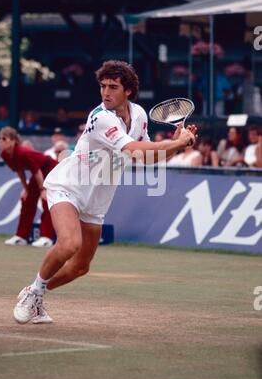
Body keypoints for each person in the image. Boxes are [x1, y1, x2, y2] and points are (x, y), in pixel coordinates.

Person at [13, 60, 197, 325]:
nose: (106, 92)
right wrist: (176, 141)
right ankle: (33, 293)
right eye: (102, 86)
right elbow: (132, 149)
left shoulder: (140, 115)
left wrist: (177, 146)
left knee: (80, 267)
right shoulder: (100, 117)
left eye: (113, 87)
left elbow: (146, 158)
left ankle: (36, 292)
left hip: (97, 198)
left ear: (129, 91)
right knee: (69, 243)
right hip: (68, 186)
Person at [0, 127, 58, 249]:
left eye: (4, 138)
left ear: (13, 140)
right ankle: (21, 236)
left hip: (51, 169)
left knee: (46, 201)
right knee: (27, 200)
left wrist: (43, 190)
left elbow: (36, 171)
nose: (1, 141)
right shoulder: (5, 154)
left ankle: (46, 238)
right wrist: (26, 189)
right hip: (39, 173)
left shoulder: (22, 152)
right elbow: (20, 171)